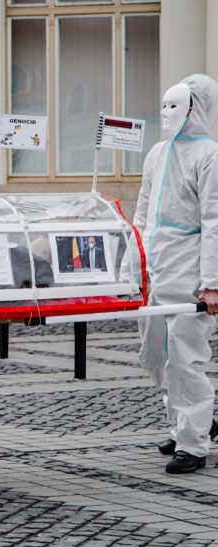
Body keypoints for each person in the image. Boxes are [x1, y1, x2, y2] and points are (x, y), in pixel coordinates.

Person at [130, 74, 218, 474]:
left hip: (189, 262)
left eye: (176, 105)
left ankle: (194, 444)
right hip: (158, 263)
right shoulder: (157, 153)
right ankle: (187, 421)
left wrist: (212, 283)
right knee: (155, 352)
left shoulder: (210, 156)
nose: (168, 113)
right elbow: (142, 213)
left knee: (185, 355)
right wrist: (134, 264)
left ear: (195, 108)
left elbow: (214, 220)